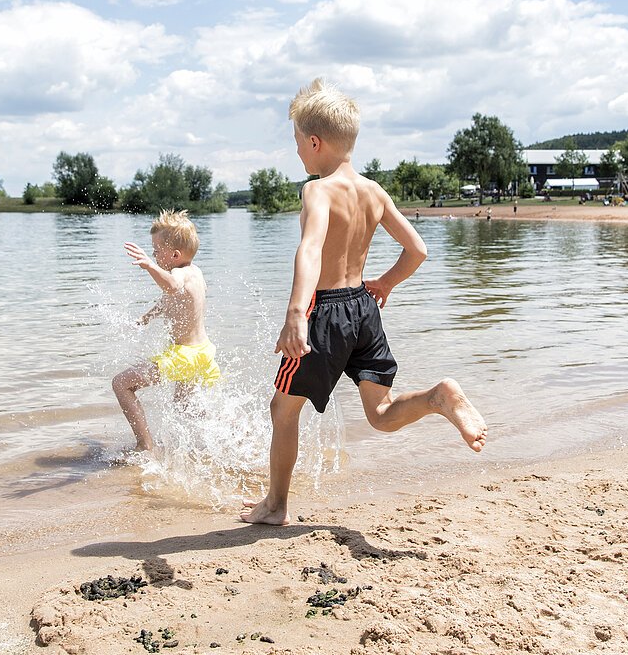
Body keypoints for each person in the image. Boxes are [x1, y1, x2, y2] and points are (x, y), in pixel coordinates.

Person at [241, 78, 487, 526]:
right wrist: (386, 284)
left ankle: (275, 506)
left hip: (325, 314)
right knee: (381, 413)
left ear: (314, 142)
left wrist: (297, 314)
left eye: (297, 143)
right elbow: (418, 249)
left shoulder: (317, 190)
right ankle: (437, 397)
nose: (298, 152)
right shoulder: (374, 191)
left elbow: (311, 249)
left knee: (282, 409)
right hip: (363, 309)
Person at [111, 210, 220, 451]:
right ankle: (229, 432)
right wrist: (147, 317)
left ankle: (145, 445)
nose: (153, 255)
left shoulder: (179, 273)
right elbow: (174, 300)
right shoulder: (197, 272)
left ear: (174, 254)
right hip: (201, 352)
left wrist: (149, 266)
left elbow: (172, 287)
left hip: (185, 356)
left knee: (121, 384)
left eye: (156, 251)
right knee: (184, 407)